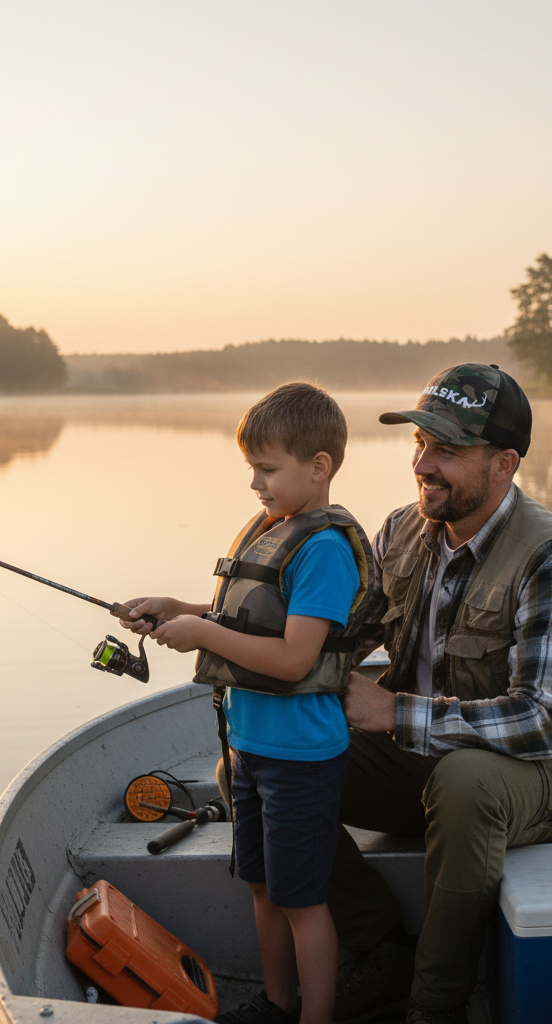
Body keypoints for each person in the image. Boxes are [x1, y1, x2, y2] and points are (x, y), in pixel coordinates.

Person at [328, 364, 552, 1024]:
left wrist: (392, 710)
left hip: (551, 779)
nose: (424, 465)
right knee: (259, 760)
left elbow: (543, 722)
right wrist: (217, 621)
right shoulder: (404, 528)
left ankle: (434, 1008)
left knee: (465, 783)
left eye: (448, 451)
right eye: (420, 444)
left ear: (504, 464)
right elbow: (333, 640)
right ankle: (380, 949)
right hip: (429, 760)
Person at [119, 382, 374, 1024]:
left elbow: (293, 657)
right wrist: (179, 609)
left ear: (319, 467)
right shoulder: (274, 531)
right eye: (251, 470)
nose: (255, 485)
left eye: (267, 469)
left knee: (302, 901)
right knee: (262, 887)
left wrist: (202, 635)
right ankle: (275, 1003)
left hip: (300, 758)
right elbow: (246, 612)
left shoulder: (323, 551)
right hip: (249, 749)